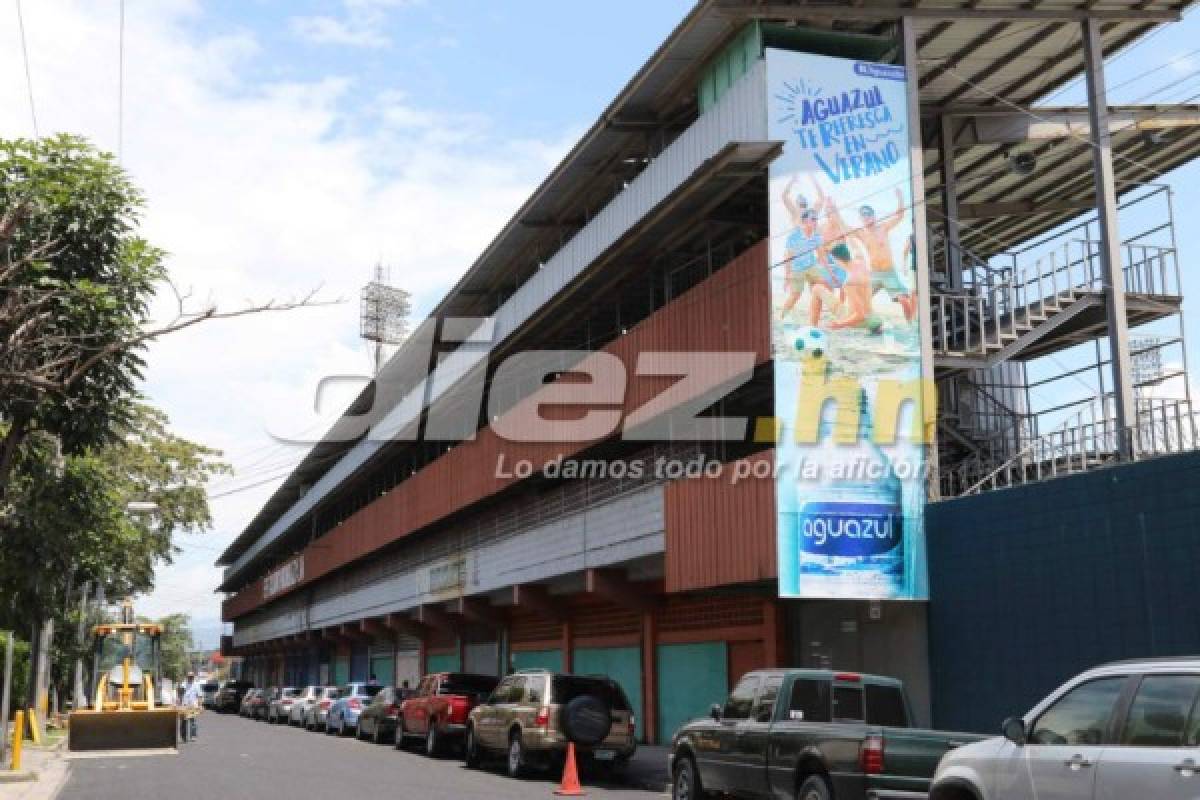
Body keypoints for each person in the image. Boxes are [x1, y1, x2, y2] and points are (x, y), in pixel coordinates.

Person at [857, 188, 915, 322]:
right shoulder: (860, 233)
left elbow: (899, 216)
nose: (866, 217)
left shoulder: (883, 227)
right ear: (860, 218)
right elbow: (843, 229)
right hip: (874, 274)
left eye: (869, 214)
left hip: (889, 273)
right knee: (861, 300)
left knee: (904, 301)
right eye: (863, 215)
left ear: (874, 216)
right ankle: (864, 322)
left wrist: (900, 198)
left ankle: (910, 324)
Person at [181, 672, 201, 741]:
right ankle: (184, 737)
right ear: (187, 677)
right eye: (189, 676)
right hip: (184, 705)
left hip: (193, 706)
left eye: (192, 676)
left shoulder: (196, 685)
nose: (190, 678)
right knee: (183, 722)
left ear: (193, 677)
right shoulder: (183, 684)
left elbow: (199, 696)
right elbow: (180, 693)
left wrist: (200, 705)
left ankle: (193, 736)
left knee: (193, 722)